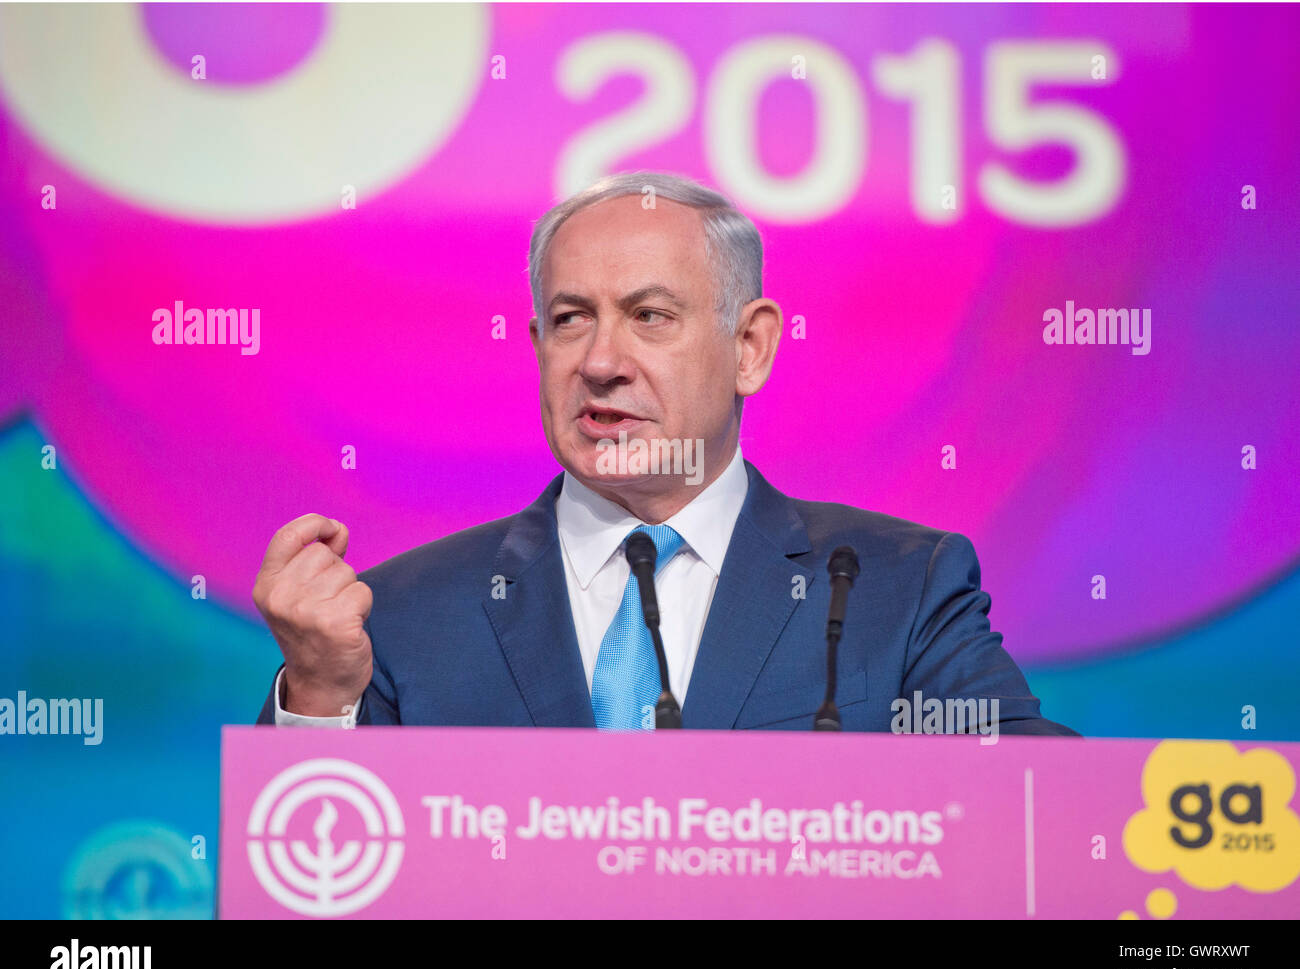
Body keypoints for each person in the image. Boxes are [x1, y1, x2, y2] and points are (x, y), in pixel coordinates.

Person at [252, 171, 1076, 735]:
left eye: (649, 316)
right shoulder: (398, 616)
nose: (601, 361)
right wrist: (322, 695)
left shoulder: (897, 589)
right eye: (571, 319)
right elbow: (316, 877)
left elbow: (1035, 819)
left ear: (749, 347)